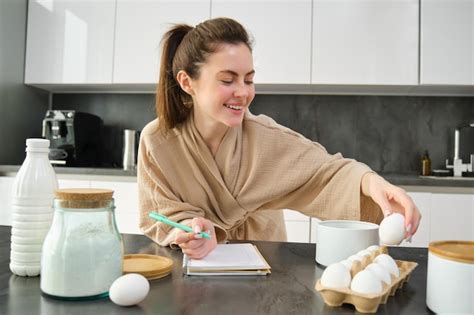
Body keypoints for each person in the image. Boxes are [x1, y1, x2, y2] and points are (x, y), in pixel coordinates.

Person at [138, 17, 421, 259]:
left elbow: (327, 174)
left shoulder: (265, 138)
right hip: (195, 267)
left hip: (264, 261)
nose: (243, 92)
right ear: (187, 82)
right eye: (227, 80)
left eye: (248, 79)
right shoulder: (157, 142)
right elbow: (158, 213)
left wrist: (373, 184)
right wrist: (189, 228)